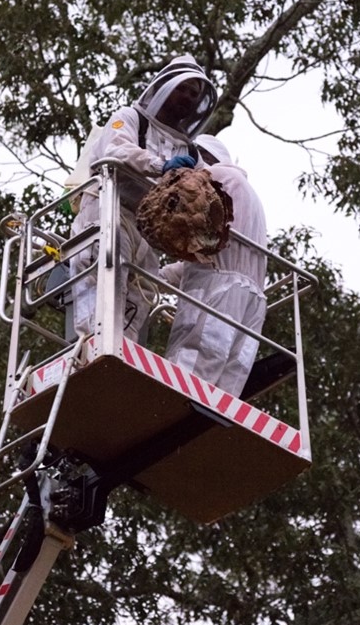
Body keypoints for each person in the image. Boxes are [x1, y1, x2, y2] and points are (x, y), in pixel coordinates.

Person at [69, 54, 218, 341]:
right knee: (104, 271)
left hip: (149, 229)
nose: (187, 97)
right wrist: (160, 166)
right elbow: (115, 149)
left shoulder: (189, 150)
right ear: (164, 86)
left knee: (141, 290)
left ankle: (122, 354)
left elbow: (208, 190)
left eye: (193, 94)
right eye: (183, 88)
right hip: (107, 207)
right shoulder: (130, 118)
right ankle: (92, 346)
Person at [160, 134, 267, 396]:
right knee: (228, 379)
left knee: (192, 363)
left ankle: (174, 413)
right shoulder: (247, 192)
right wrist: (157, 277)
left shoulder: (214, 176)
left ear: (202, 156)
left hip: (216, 288)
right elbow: (222, 251)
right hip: (251, 298)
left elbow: (206, 256)